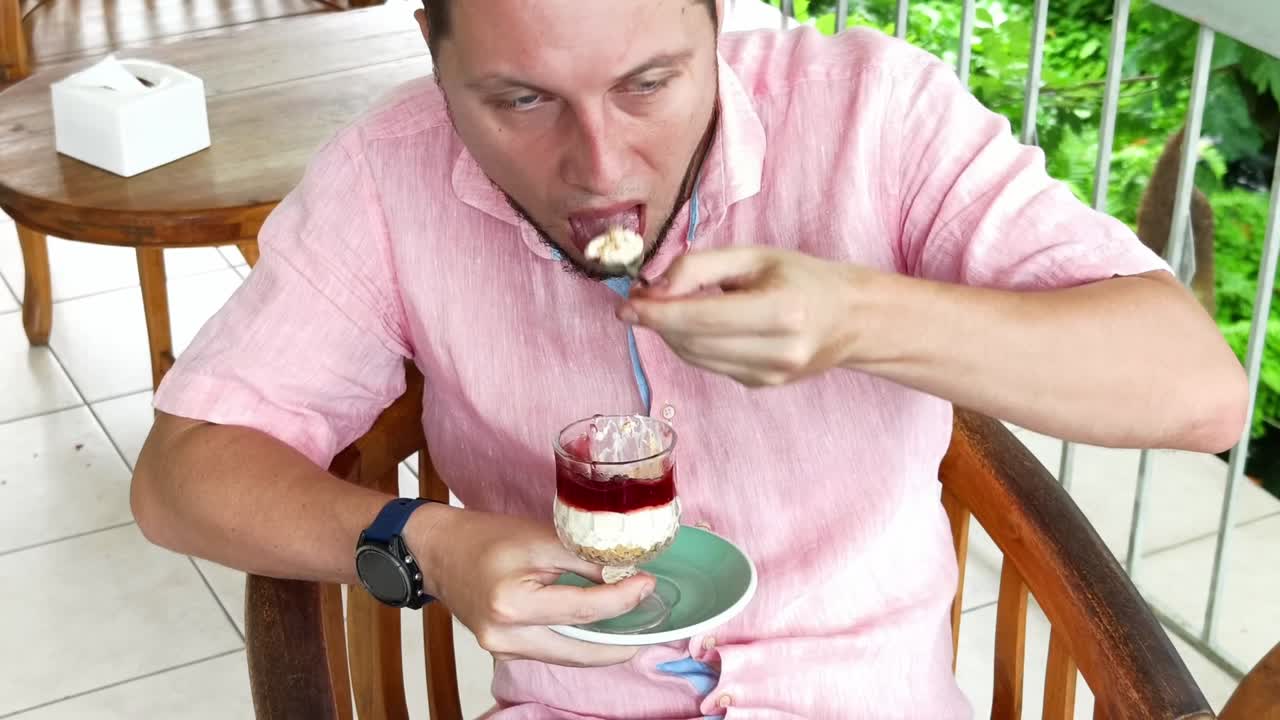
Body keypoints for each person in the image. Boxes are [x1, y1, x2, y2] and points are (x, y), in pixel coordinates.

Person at [130, 0, 1249, 717]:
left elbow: (1195, 390)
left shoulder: (873, 115)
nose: (597, 164)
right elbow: (180, 478)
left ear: (717, 21)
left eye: (648, 83)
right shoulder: (387, 174)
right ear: (431, 49)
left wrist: (865, 317)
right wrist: (426, 544)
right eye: (520, 99)